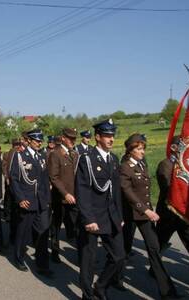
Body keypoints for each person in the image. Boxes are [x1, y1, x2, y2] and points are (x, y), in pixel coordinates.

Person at [120, 133, 180, 299]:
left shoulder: (142, 165)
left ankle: (168, 293)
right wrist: (145, 210)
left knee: (154, 250)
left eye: (143, 149)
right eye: (139, 149)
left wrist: (147, 210)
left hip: (145, 216)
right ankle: (113, 279)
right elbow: (127, 192)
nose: (142, 152)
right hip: (131, 215)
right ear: (130, 150)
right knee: (123, 251)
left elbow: (145, 192)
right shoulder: (125, 167)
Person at [75, 119, 125, 300]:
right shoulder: (86, 159)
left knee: (119, 256)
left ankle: (101, 286)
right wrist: (88, 218)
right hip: (93, 215)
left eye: (112, 135)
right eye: (107, 135)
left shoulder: (113, 159)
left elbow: (116, 190)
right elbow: (82, 191)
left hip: (111, 215)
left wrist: (119, 215)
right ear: (97, 137)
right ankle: (87, 295)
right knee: (89, 260)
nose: (111, 139)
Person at [10, 129, 53, 277]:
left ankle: (42, 265)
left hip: (41, 202)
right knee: (23, 232)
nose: (39, 143)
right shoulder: (19, 156)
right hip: (27, 201)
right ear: (29, 141)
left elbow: (45, 180)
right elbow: (14, 179)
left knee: (43, 232)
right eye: (36, 140)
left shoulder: (42, 157)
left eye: (41, 140)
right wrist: (20, 199)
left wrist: (47, 200)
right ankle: (19, 258)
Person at [156, 135, 189, 267]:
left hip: (182, 214)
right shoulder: (165, 164)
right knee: (159, 244)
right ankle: (155, 269)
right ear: (173, 147)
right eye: (181, 145)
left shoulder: (184, 166)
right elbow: (166, 187)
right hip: (168, 214)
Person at [48, 128, 79, 264]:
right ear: (63, 138)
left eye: (74, 139)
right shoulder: (55, 154)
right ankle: (55, 251)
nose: (73, 141)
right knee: (56, 225)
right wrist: (65, 194)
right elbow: (53, 177)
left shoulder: (75, 154)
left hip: (74, 197)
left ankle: (82, 255)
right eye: (70, 138)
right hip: (59, 197)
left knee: (77, 226)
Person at [2, 138, 22, 243]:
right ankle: (7, 216)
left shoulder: (22, 153)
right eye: (16, 144)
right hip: (10, 182)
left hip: (21, 185)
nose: (17, 146)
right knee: (10, 202)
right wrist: (6, 177)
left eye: (19, 144)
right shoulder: (7, 154)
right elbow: (5, 167)